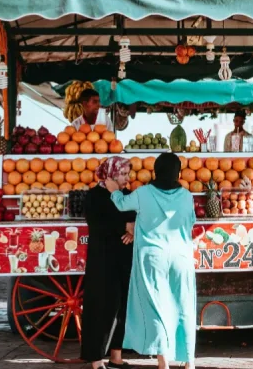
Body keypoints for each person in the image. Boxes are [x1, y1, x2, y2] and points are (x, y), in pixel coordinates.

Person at [105, 153, 196, 369]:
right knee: (185, 307)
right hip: (181, 258)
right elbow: (190, 221)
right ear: (178, 173)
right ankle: (189, 362)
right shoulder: (186, 196)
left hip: (153, 260)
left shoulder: (144, 193)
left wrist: (113, 191)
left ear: (155, 171)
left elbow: (122, 204)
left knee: (158, 308)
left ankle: (163, 363)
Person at [80, 157, 136, 369]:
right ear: (111, 174)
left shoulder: (127, 195)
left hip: (124, 258)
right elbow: (98, 225)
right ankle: (96, 361)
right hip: (102, 261)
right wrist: (125, 226)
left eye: (127, 174)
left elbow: (134, 217)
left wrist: (130, 228)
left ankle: (116, 356)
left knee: (122, 307)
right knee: (101, 308)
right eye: (123, 174)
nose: (127, 178)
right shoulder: (94, 196)